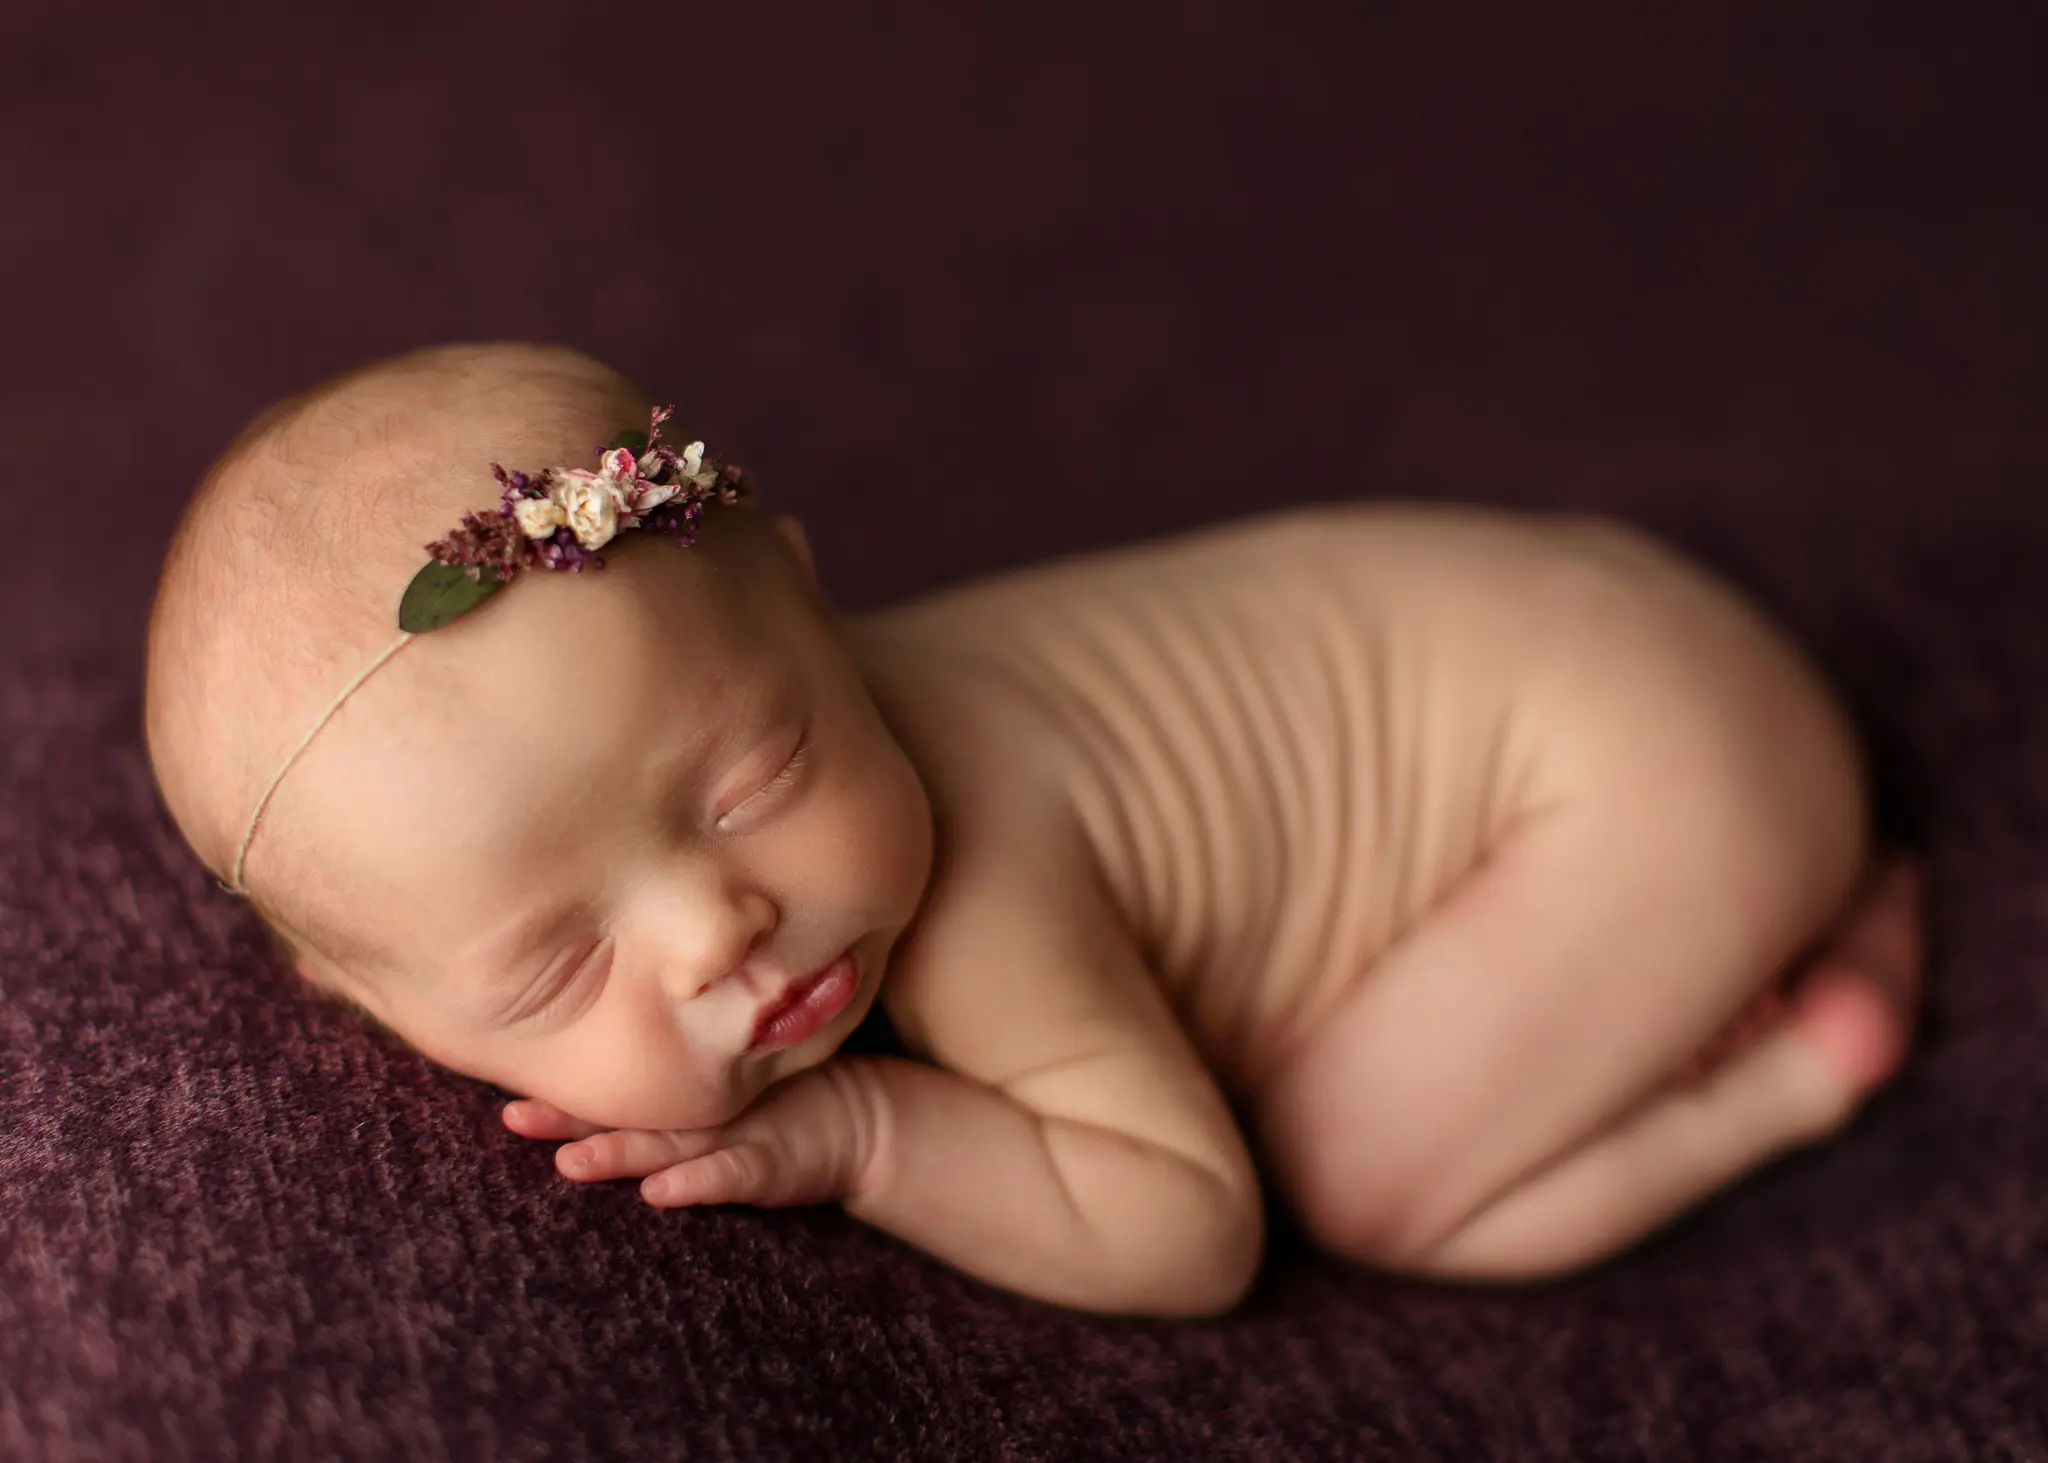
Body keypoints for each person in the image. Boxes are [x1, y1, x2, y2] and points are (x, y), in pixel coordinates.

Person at [143, 343, 1922, 1317]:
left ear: (817, 617)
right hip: (1597, 635)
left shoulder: (976, 875)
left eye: (760, 777)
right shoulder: (757, 748)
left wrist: (861, 1132)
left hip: (1651, 767)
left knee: (1365, 1179)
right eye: (556, 960)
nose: (720, 930)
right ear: (356, 1000)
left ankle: (1801, 1060)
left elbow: (1186, 1229)